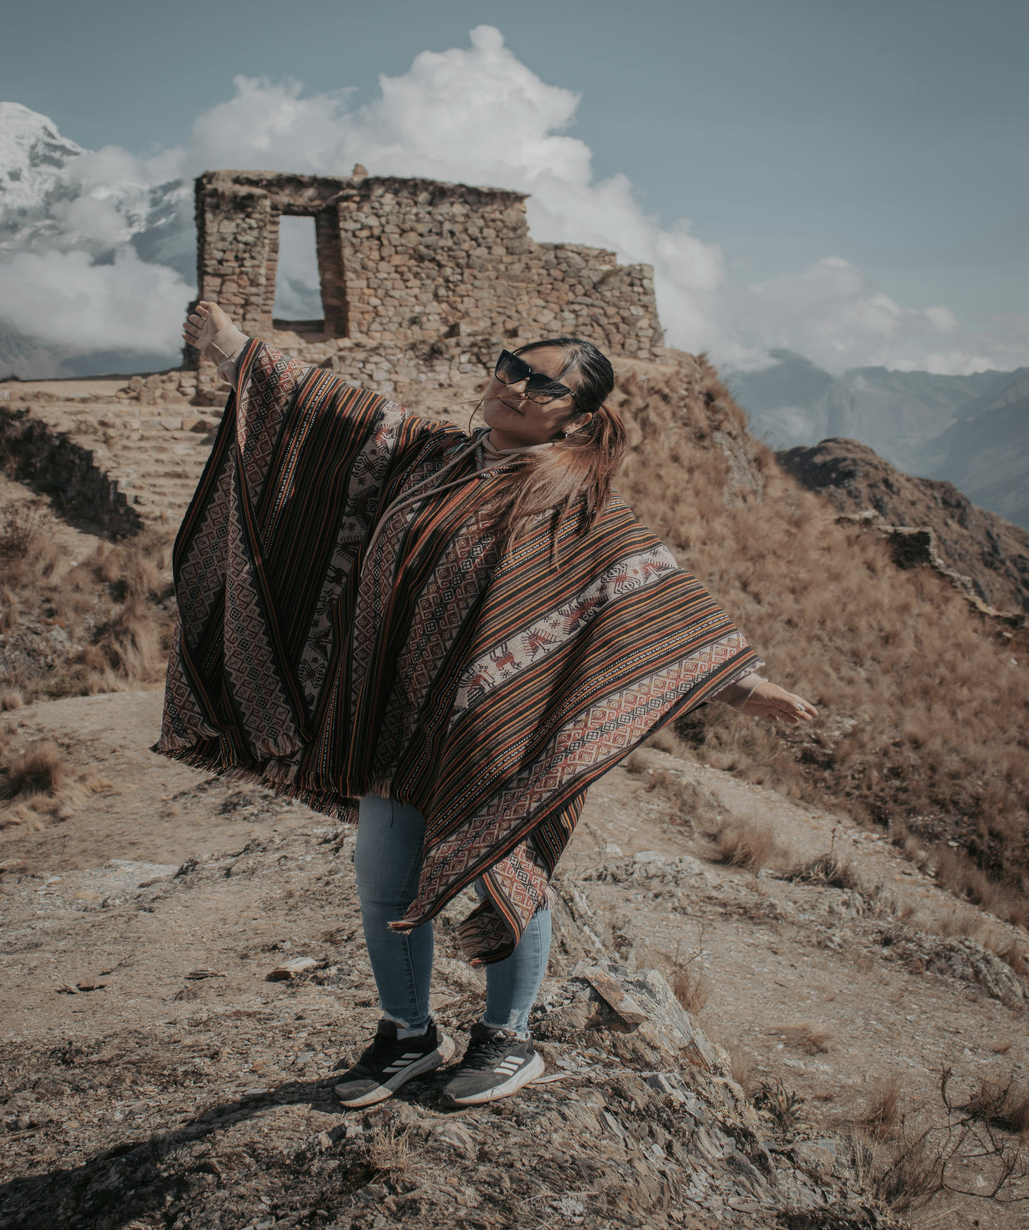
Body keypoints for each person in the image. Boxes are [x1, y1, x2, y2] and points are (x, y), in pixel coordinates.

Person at [158, 301, 817, 1111]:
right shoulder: (432, 456)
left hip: (497, 728)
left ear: (575, 418)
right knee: (382, 878)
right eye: (511, 363)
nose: (512, 382)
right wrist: (235, 352)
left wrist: (743, 685)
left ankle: (507, 1038)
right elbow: (334, 414)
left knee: (504, 865)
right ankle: (407, 1034)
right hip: (390, 715)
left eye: (539, 382)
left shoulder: (578, 504)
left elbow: (650, 595)